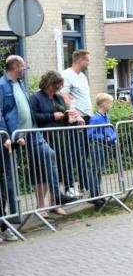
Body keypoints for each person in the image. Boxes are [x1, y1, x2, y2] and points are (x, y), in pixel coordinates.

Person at [0, 56, 76, 240]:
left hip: (30, 132)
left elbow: (24, 109)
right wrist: (4, 133)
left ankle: (57, 196)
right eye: (23, 66)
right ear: (16, 67)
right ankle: (13, 215)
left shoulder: (20, 83)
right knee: (9, 177)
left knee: (49, 154)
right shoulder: (2, 85)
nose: (25, 68)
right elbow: (2, 111)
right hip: (13, 135)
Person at [30, 71, 80, 216]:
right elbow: (33, 117)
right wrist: (51, 116)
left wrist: (69, 117)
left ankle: (55, 203)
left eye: (59, 85)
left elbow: (64, 114)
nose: (57, 88)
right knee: (41, 173)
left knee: (56, 170)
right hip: (43, 138)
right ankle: (40, 207)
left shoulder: (58, 98)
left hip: (59, 138)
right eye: (55, 85)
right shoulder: (36, 98)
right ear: (47, 83)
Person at [60, 49, 92, 198]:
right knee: (72, 154)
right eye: (87, 60)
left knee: (83, 153)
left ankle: (84, 185)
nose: (89, 63)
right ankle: (69, 186)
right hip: (75, 120)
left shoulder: (83, 76)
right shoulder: (67, 75)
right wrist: (75, 115)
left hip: (86, 119)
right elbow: (65, 96)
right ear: (80, 60)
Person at [87, 93, 117, 211]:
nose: (111, 105)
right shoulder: (95, 118)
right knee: (95, 169)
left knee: (99, 170)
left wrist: (113, 137)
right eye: (110, 103)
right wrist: (102, 138)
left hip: (106, 146)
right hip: (98, 147)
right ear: (104, 104)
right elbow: (90, 133)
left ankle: (97, 191)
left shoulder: (106, 116)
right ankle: (93, 193)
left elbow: (109, 129)